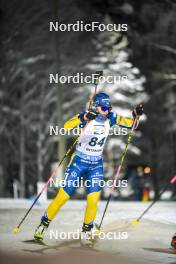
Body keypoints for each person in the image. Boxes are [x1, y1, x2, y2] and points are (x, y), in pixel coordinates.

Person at [34, 92, 143, 243]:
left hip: (96, 164)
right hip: (78, 162)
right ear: (97, 107)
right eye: (104, 107)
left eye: (108, 107)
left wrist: (136, 115)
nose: (107, 110)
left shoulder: (111, 118)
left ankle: (86, 232)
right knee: (63, 196)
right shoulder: (85, 117)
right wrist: (83, 118)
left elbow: (132, 124)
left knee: (93, 199)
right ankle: (42, 226)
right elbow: (65, 127)